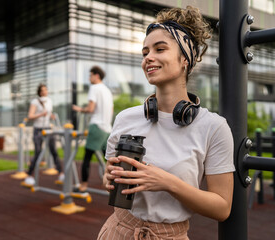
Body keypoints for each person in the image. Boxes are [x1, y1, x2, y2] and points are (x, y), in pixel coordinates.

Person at [98, 6, 235, 239]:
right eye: (145, 52)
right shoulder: (125, 118)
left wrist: (166, 182)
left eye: (160, 49)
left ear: (185, 59)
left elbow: (222, 208)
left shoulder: (213, 127)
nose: (148, 57)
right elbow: (109, 179)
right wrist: (109, 177)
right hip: (117, 230)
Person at [72, 66, 113, 192]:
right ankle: (113, 182)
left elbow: (90, 109)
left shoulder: (94, 88)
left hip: (97, 126)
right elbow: (110, 110)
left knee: (87, 158)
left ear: (96, 76)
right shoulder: (107, 90)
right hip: (107, 128)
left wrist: (79, 109)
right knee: (109, 158)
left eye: (90, 75)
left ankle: (83, 185)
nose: (89, 78)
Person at [24, 84, 63, 186]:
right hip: (38, 130)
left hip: (48, 128)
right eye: (43, 90)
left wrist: (51, 116)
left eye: (46, 89)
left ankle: (61, 173)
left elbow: (48, 114)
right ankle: (29, 175)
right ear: (39, 92)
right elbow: (30, 116)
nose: (45, 91)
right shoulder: (35, 102)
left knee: (54, 150)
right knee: (38, 152)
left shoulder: (49, 101)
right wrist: (41, 114)